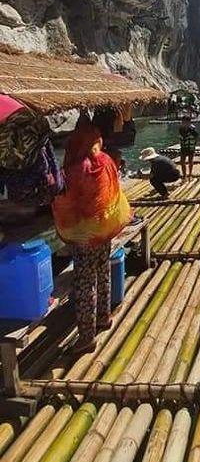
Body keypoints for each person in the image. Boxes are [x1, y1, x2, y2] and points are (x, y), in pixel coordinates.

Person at [52, 119, 131, 355]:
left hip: (85, 235)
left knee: (86, 284)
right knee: (103, 270)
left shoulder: (77, 169)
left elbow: (67, 200)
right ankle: (103, 317)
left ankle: (86, 337)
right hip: (104, 228)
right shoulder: (106, 161)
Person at [179, 114, 198, 179]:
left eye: (185, 122)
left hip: (190, 147)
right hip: (183, 147)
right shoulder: (181, 129)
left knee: (190, 161)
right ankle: (184, 175)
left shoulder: (193, 129)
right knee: (182, 161)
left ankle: (190, 174)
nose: (184, 123)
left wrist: (190, 130)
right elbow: (182, 136)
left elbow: (196, 136)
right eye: (183, 122)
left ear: (189, 122)